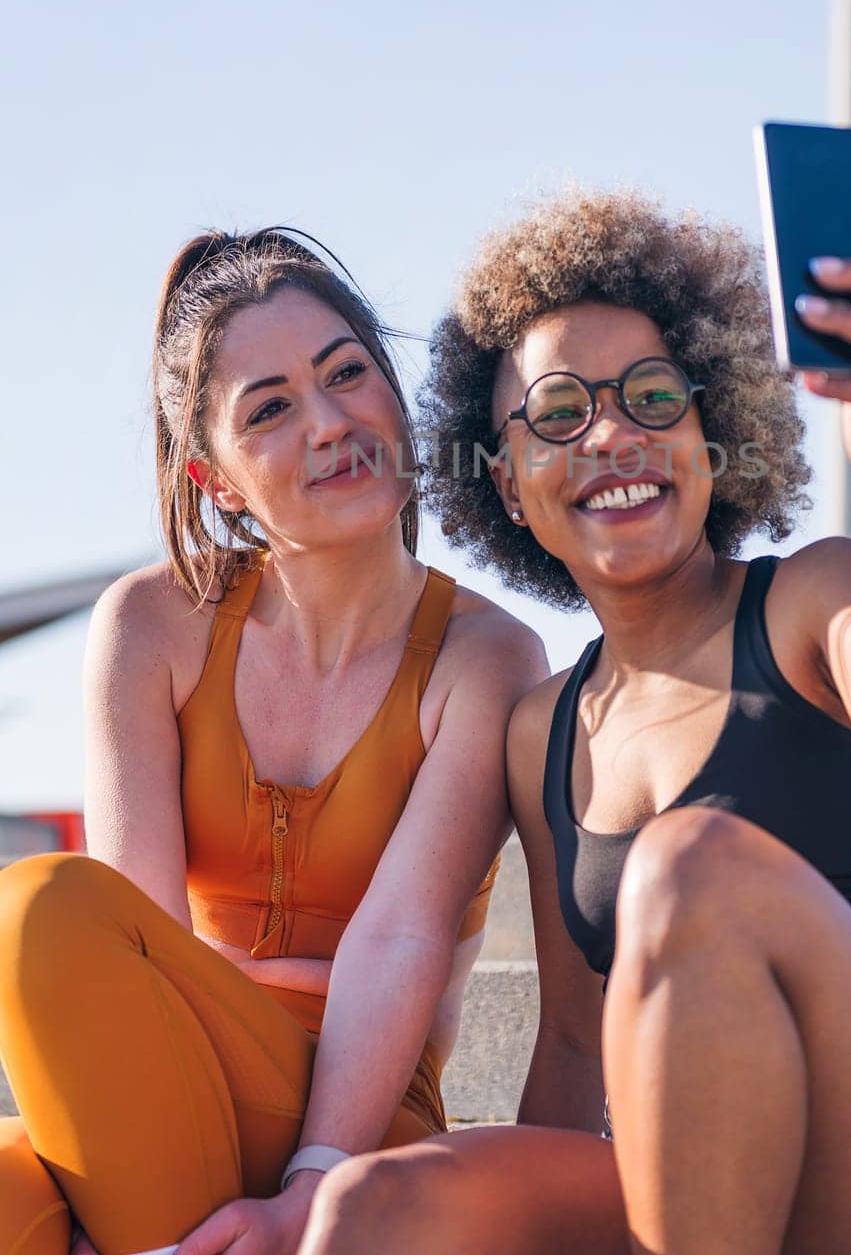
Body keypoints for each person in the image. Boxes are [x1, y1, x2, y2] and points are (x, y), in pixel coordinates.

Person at [298, 190, 851, 1255]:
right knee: (375, 1208)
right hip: (683, 1177)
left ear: (711, 433)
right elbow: (569, 1042)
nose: (611, 433)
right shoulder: (541, 729)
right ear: (508, 481)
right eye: (558, 413)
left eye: (652, 395)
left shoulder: (812, 600)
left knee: (689, 863)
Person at [0, 228, 546, 1255]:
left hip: (359, 1122)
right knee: (44, 928)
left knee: (41, 902)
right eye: (271, 409)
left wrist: (314, 1184)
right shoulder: (153, 626)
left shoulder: (486, 658)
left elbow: (399, 938)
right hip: (169, 1082)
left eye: (348, 374)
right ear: (216, 479)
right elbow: (132, 944)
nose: (332, 423)